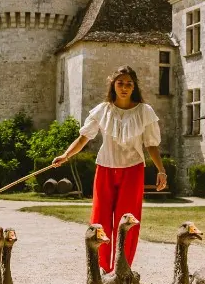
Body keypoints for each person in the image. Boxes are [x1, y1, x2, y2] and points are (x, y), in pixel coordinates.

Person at [52, 66, 166, 272]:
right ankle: (102, 269)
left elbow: (151, 144)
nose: (124, 87)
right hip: (105, 168)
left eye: (129, 84)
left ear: (134, 87)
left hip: (133, 170)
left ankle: (122, 269)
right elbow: (83, 138)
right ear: (113, 85)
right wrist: (66, 155)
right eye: (120, 83)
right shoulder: (102, 110)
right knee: (100, 219)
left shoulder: (144, 111)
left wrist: (161, 170)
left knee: (128, 222)